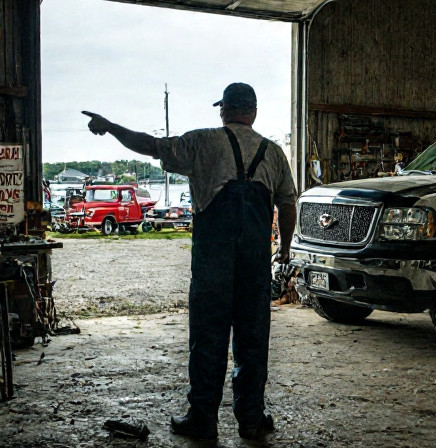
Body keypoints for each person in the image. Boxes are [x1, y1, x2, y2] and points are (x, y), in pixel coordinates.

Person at [82, 82, 297, 440]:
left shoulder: (203, 142)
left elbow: (151, 146)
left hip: (213, 263)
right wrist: (284, 250)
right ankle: (251, 420)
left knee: (208, 339)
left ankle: (203, 421)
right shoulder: (274, 153)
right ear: (253, 112)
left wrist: (111, 127)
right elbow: (287, 205)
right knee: (253, 340)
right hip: (254, 265)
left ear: (224, 110)